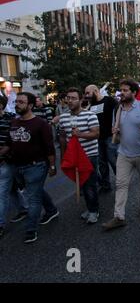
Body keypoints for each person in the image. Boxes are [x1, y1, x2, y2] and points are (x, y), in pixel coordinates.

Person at [102, 79, 140, 231]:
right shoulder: (118, 109)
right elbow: (116, 138)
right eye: (121, 90)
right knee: (120, 184)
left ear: (134, 93)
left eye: (125, 90)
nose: (122, 93)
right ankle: (119, 216)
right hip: (124, 153)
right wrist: (115, 134)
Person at [9, 92, 58, 243]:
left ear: (30, 105)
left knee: (33, 199)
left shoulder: (41, 124)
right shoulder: (14, 122)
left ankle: (31, 230)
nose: (17, 104)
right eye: (16, 102)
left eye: (21, 102)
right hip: (18, 167)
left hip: (36, 166)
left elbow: (50, 148)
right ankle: (51, 210)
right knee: (36, 191)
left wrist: (52, 165)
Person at [59, 87, 100, 224]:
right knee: (81, 183)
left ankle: (94, 211)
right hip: (74, 156)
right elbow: (63, 137)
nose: (69, 101)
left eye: (73, 98)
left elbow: (96, 134)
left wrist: (80, 135)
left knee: (90, 185)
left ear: (81, 100)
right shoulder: (63, 117)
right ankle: (89, 207)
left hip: (89, 155)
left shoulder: (90, 115)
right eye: (68, 98)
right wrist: (63, 156)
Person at [84, 84, 118, 194]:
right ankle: (105, 185)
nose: (86, 95)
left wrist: (117, 128)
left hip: (109, 138)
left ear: (95, 91)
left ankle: (122, 182)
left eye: (88, 93)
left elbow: (119, 114)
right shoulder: (91, 105)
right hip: (97, 139)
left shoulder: (110, 101)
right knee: (102, 163)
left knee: (113, 161)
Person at [0, 95, 15, 238]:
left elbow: (14, 139)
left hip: (6, 162)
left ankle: (0, 224)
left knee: (2, 194)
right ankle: (24, 208)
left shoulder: (11, 118)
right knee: (11, 190)